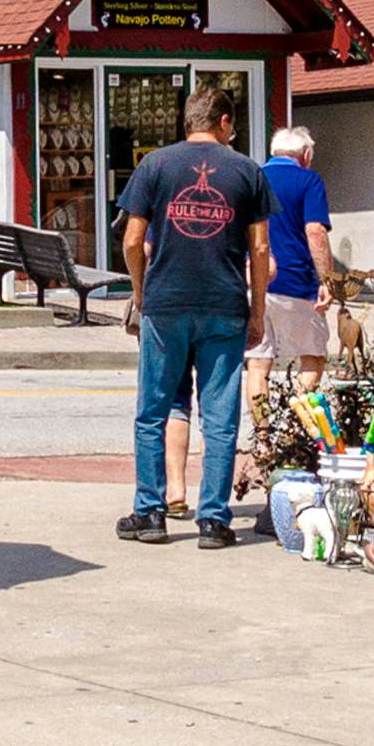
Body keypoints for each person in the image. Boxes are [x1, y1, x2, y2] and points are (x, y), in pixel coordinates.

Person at [117, 82, 269, 549]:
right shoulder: (247, 171)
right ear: (223, 122)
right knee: (220, 418)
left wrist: (142, 290)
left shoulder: (155, 165)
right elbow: (260, 247)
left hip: (166, 302)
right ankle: (214, 521)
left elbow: (130, 240)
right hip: (224, 303)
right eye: (232, 125)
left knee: (153, 411)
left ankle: (150, 513)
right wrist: (257, 310)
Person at [260, 125, 338, 369]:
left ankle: (259, 409)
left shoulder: (253, 177)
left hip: (254, 279)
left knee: (258, 360)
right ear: (306, 154)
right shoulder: (308, 180)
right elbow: (315, 230)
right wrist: (327, 279)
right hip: (295, 281)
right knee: (312, 355)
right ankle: (302, 408)